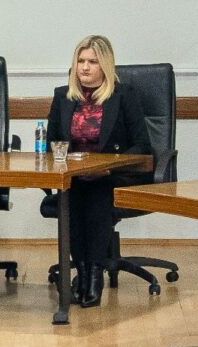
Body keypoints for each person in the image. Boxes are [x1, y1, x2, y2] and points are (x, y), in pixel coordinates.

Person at [45, 35, 151, 308]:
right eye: (80, 61)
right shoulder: (63, 96)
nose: (85, 67)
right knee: (71, 197)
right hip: (73, 176)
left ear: (105, 65)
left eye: (92, 62)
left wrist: (108, 168)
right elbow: (52, 143)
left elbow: (142, 144)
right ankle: (81, 272)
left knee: (96, 196)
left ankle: (94, 275)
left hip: (112, 176)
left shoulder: (123, 96)